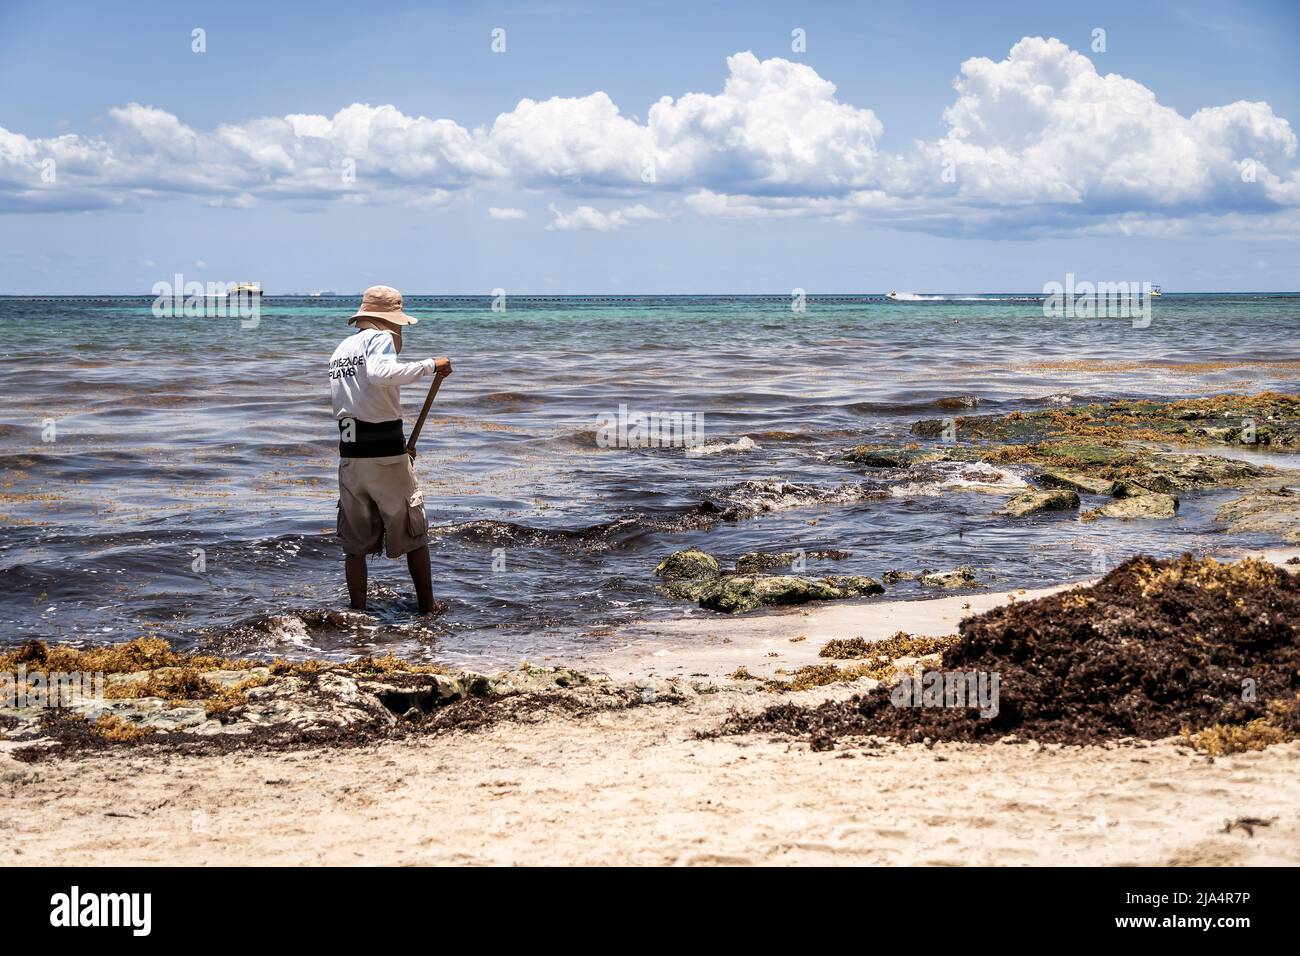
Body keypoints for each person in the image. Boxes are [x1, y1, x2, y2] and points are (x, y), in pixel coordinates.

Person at [328, 285, 452, 612]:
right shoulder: (379, 337)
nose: (399, 330)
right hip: (384, 451)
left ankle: (357, 613)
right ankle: (428, 609)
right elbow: (382, 375)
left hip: (351, 451)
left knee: (355, 544)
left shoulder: (342, 349)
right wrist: (431, 364)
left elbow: (357, 398)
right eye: (398, 323)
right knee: (414, 533)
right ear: (389, 320)